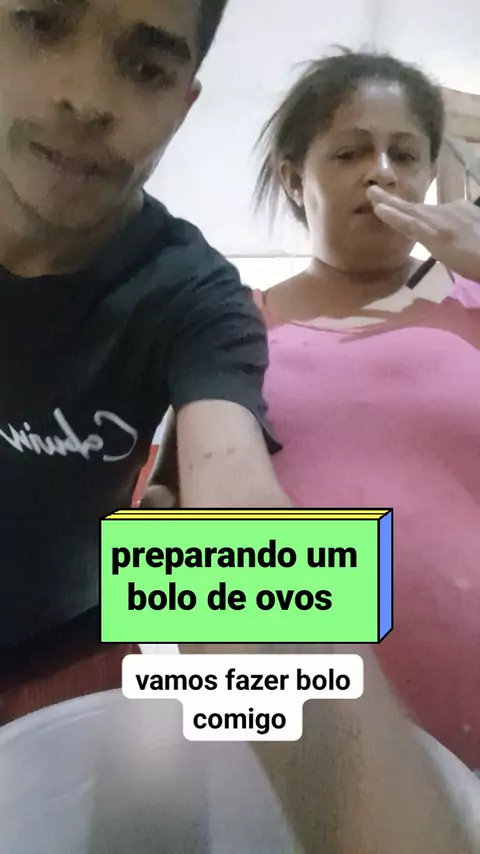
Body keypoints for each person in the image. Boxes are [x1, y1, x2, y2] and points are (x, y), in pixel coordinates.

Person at [153, 50, 480, 772]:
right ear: (291, 180)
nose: (382, 173)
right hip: (282, 759)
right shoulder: (223, 328)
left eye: (404, 154)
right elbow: (167, 559)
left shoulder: (474, 304)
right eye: (349, 152)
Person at [0, 0, 291, 690]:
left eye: (147, 69)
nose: (87, 99)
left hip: (65, 662)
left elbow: (237, 503)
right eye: (43, 25)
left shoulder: (195, 295)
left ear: (182, 107)